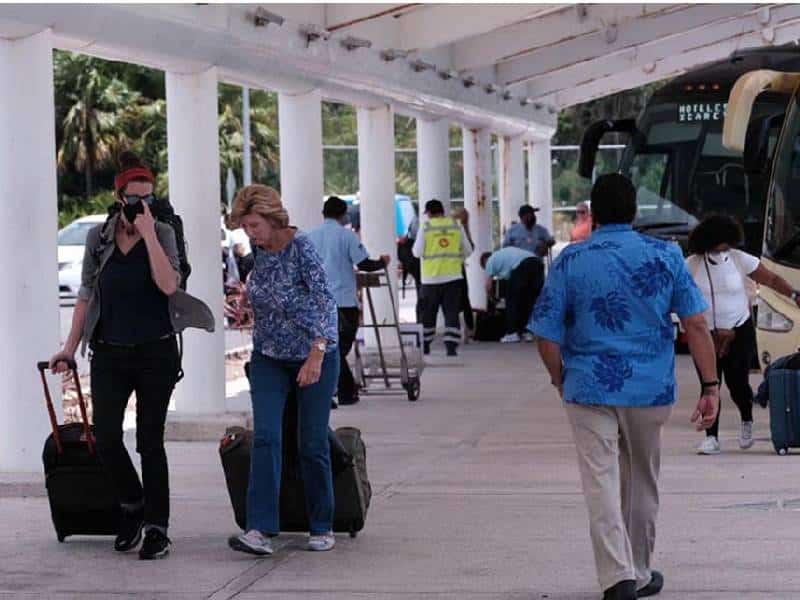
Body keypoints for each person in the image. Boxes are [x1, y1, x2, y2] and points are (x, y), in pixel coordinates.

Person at [530, 173, 719, 600]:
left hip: (589, 387)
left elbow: (545, 333)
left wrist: (561, 379)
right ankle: (639, 568)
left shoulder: (571, 260)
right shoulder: (665, 256)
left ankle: (617, 578)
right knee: (642, 480)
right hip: (649, 389)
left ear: (593, 213)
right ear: (635, 210)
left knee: (600, 481)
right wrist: (710, 386)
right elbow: (696, 323)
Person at [48, 151, 214, 560]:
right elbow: (86, 294)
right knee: (105, 436)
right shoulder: (99, 237)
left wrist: (151, 234)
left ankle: (157, 526)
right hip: (109, 352)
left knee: (149, 441)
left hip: (155, 352)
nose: (142, 206)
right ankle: (133, 504)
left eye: (149, 198)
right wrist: (69, 348)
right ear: (118, 195)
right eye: (134, 198)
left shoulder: (163, 232)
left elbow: (168, 284)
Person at [227, 184, 339, 557]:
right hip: (269, 357)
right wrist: (245, 303)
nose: (250, 233)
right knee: (266, 437)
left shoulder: (301, 247)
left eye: (254, 225)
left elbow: (325, 301)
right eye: (245, 226)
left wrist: (316, 355)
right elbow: (268, 293)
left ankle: (321, 524)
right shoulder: (257, 253)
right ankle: (259, 529)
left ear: (273, 219)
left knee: (311, 441)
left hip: (314, 354)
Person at [686, 214, 800, 455]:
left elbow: (770, 278)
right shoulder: (692, 265)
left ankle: (746, 418)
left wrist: (793, 295)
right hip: (705, 334)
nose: (723, 250)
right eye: (718, 246)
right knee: (710, 384)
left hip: (739, 329)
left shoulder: (740, 259)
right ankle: (711, 437)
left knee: (737, 384)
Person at [308, 196, 390, 407]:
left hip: (318, 303)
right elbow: (364, 264)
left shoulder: (309, 237)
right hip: (343, 301)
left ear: (322, 213)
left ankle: (334, 390)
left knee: (326, 348)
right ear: (343, 215)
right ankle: (344, 390)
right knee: (337, 349)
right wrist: (383, 262)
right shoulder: (347, 236)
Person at [412, 199, 473, 357]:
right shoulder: (456, 225)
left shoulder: (425, 227)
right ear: (442, 211)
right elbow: (468, 251)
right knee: (451, 313)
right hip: (453, 278)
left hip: (430, 279)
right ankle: (451, 347)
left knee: (428, 314)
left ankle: (425, 345)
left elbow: (416, 253)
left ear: (429, 213)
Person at [481, 247, 543, 343]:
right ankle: (527, 333)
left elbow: (488, 286)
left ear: (485, 261)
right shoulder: (503, 255)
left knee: (511, 301)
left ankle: (512, 333)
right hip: (537, 263)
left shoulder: (490, 260)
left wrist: (492, 299)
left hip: (522, 265)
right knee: (529, 301)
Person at [453, 207, 476, 337]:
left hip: (445, 269)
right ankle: (469, 327)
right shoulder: (461, 229)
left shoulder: (454, 228)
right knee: (464, 298)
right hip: (458, 267)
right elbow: (470, 248)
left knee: (451, 301)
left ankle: (456, 328)